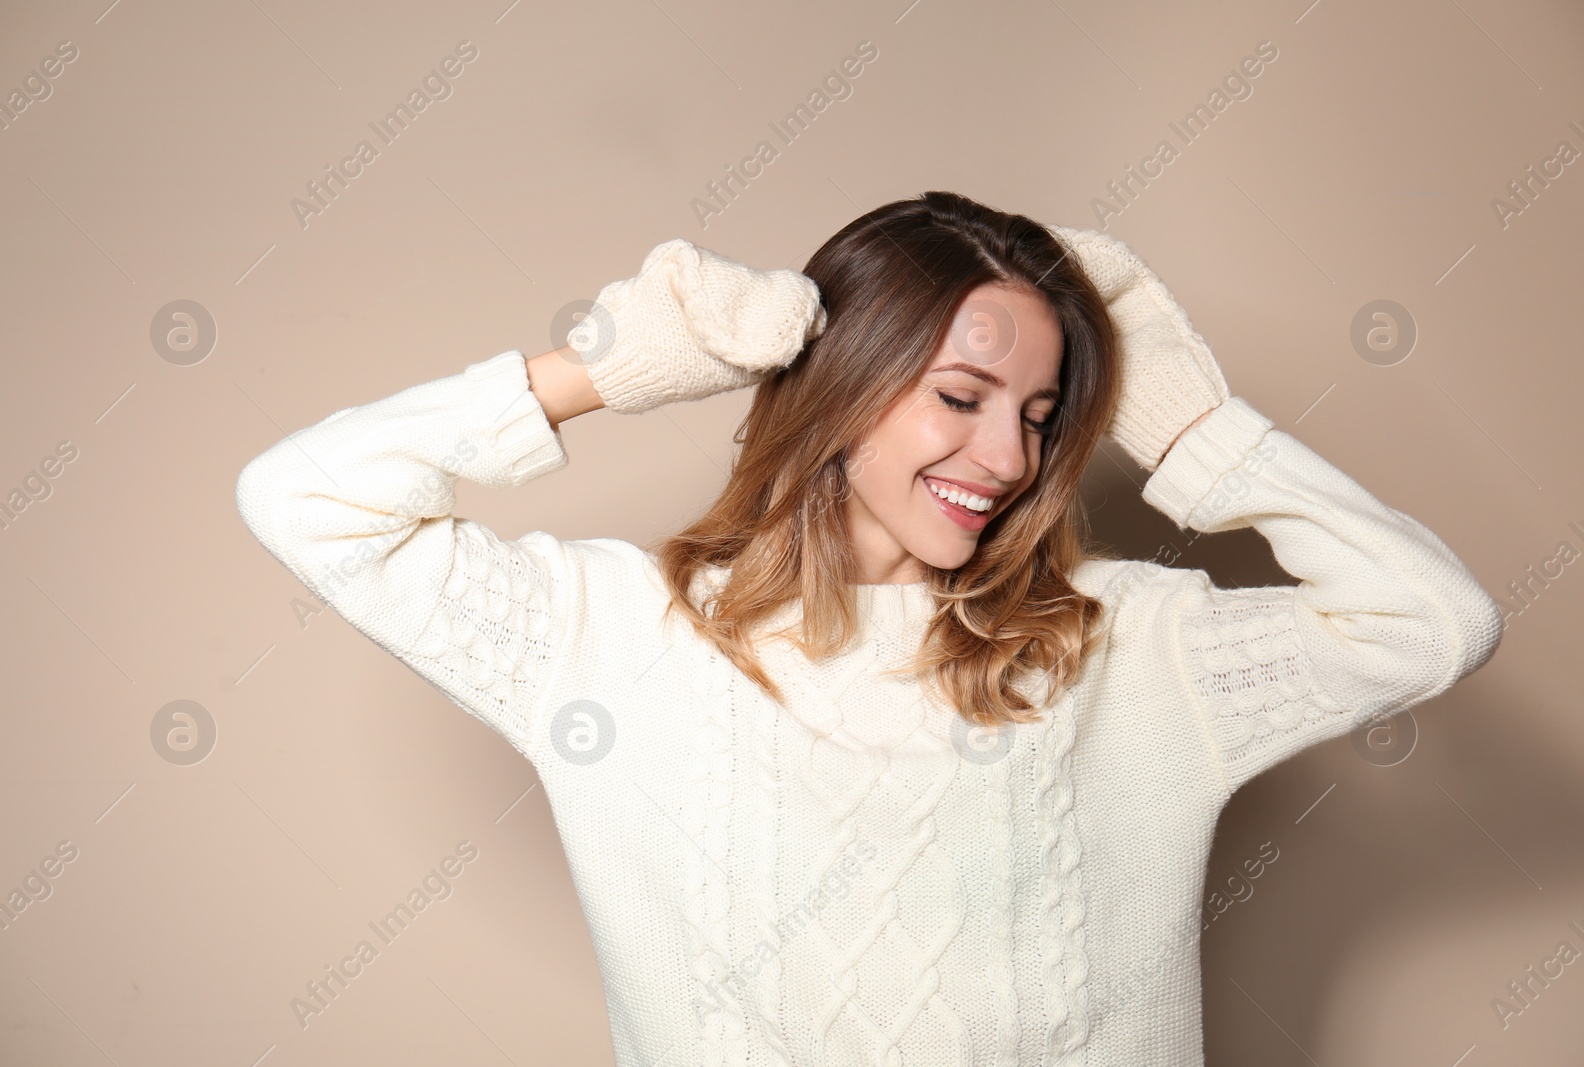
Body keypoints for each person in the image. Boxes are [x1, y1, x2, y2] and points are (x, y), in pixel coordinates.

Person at [235, 190, 1503, 1065]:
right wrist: (603, 368)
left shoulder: (1119, 645)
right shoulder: (604, 636)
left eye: (1041, 412)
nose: (1005, 453)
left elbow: (1431, 620)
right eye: (960, 394)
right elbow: (302, 497)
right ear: (842, 385)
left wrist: (1186, 430)